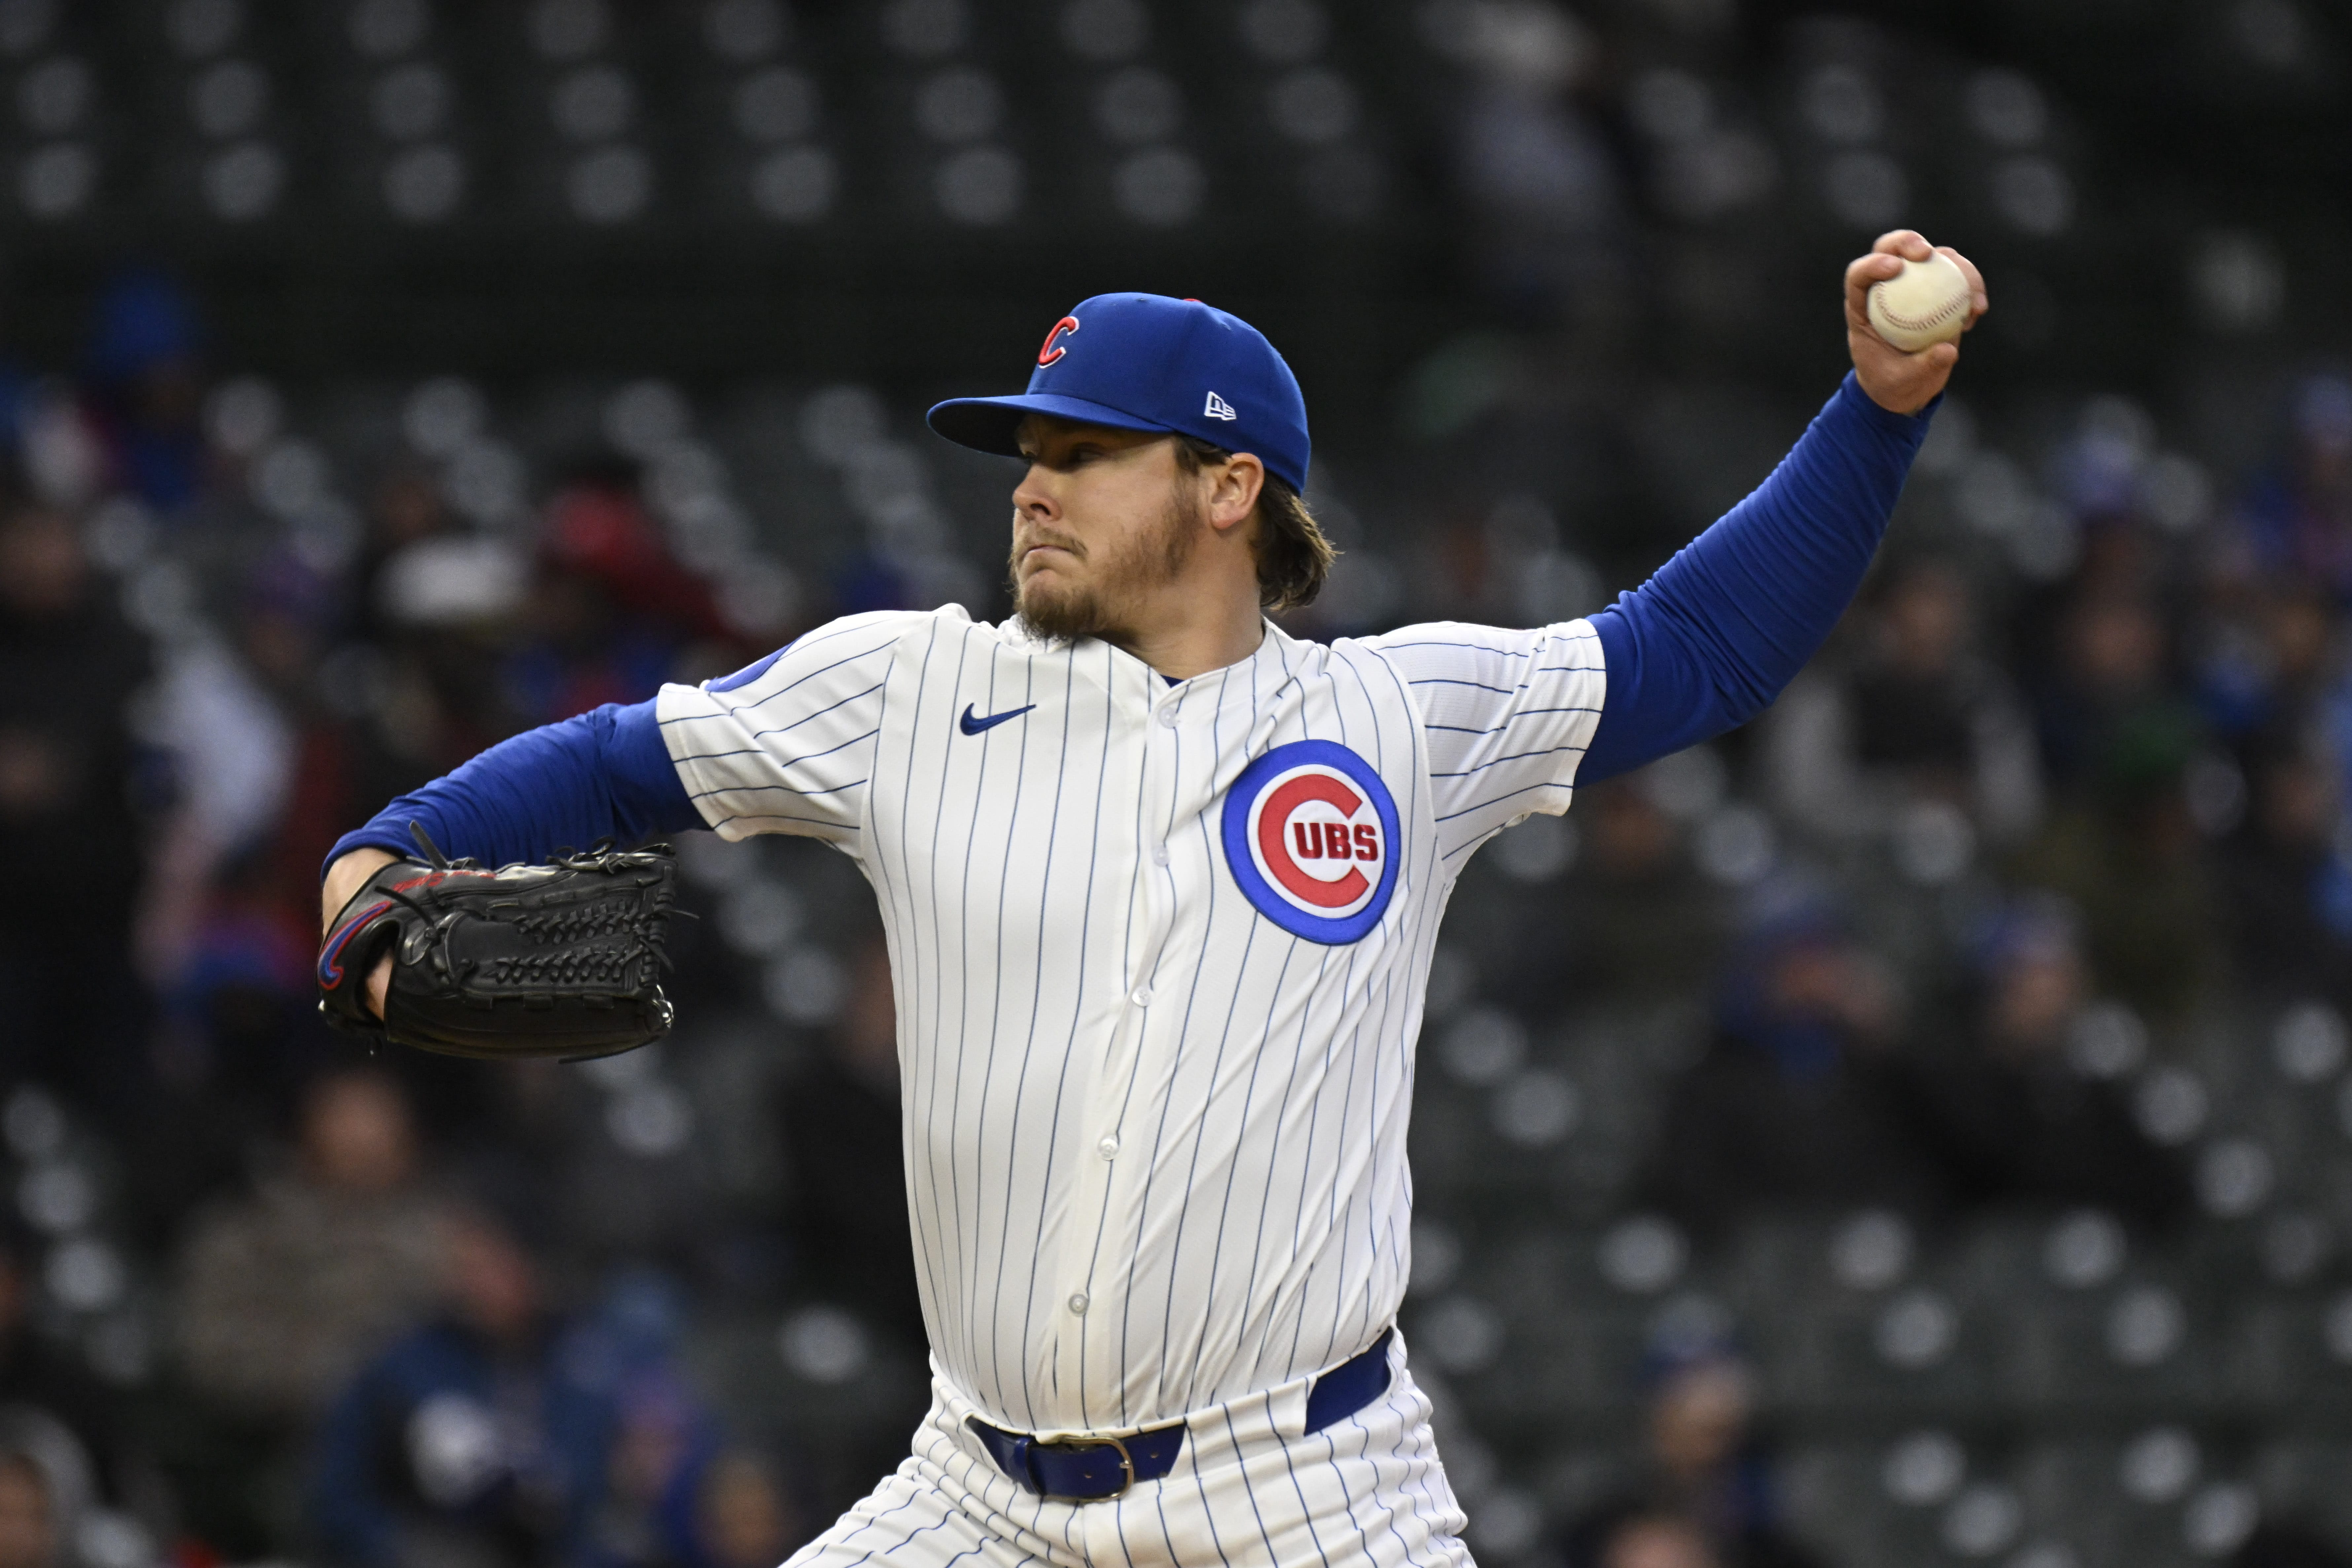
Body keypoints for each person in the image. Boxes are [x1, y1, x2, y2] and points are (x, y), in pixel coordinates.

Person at [321, 234, 1983, 1566]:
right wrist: (391, 842)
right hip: (977, 1493)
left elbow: (1695, 648)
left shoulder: (1393, 721)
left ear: (1226, 485)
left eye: (1081, 453)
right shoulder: (911, 690)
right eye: (1022, 454)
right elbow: (623, 758)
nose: (1028, 487)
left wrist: (1875, 412)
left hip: (1306, 1494)